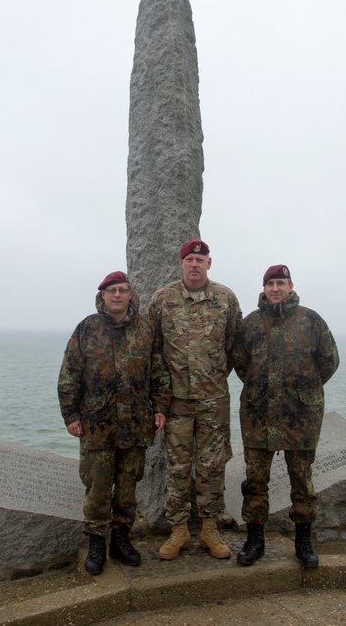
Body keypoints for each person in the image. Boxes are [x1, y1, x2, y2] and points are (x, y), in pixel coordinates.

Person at [58, 270, 169, 574]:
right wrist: (71, 416)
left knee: (128, 486)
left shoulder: (146, 329)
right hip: (98, 424)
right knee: (98, 486)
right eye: (112, 291)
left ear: (131, 294)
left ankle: (121, 538)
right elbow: (69, 375)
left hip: (135, 422)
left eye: (122, 290)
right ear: (102, 296)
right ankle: (96, 541)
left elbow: (158, 372)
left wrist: (160, 408)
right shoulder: (86, 329)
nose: (117, 295)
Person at [232, 264, 339, 568]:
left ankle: (303, 541)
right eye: (270, 284)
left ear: (291, 285)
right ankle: (255, 540)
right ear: (264, 288)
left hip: (300, 417)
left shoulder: (310, 320)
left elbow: (329, 361)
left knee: (302, 481)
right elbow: (241, 364)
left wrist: (304, 390)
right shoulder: (250, 324)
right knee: (254, 480)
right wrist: (261, 387)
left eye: (280, 283)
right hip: (258, 415)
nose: (275, 288)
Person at [147, 239, 242, 560]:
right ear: (181, 263)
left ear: (209, 264)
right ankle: (179, 531)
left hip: (214, 401)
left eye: (200, 260)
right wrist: (158, 400)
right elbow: (153, 350)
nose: (194, 264)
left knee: (212, 467)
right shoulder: (163, 299)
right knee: (177, 467)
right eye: (189, 259)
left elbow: (234, 346)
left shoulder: (226, 299)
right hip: (176, 403)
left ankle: (209, 529)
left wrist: (212, 376)